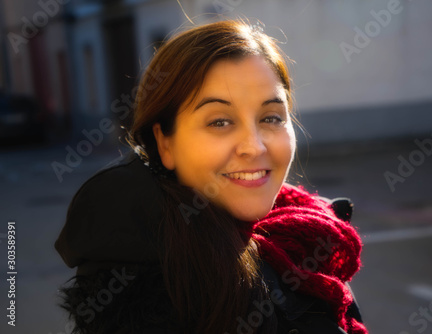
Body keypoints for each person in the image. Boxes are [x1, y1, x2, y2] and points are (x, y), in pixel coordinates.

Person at [54, 19, 368, 334]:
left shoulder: (312, 236)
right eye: (219, 121)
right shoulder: (148, 288)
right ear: (165, 142)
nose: (253, 147)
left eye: (271, 117)